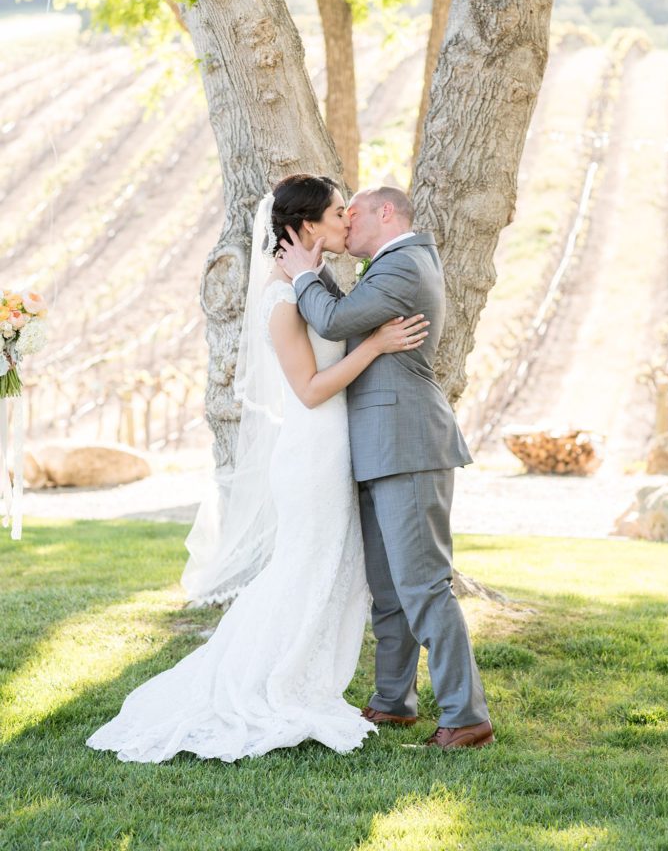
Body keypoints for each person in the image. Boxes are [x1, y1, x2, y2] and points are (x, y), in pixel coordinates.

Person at [86, 175, 428, 763]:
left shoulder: (313, 283)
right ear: (307, 225)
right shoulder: (281, 297)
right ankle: (262, 681)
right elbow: (311, 390)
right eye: (338, 213)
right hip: (312, 454)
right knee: (302, 569)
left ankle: (304, 677)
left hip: (334, 449)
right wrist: (376, 345)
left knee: (331, 570)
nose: (347, 221)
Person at [278, 184, 493, 750]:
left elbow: (334, 322)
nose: (346, 222)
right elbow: (352, 321)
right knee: (389, 590)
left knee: (424, 586)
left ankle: (466, 716)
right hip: (379, 447)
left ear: (386, 212)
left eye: (353, 213)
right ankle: (394, 701)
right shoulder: (390, 266)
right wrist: (314, 275)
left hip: (408, 445)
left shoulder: (405, 264)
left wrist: (303, 275)